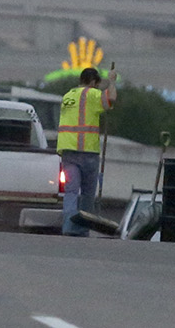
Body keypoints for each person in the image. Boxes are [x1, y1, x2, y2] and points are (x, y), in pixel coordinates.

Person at [56, 66, 116, 237]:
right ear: (92, 82)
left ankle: (68, 227)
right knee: (88, 194)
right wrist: (111, 80)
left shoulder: (68, 96)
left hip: (68, 152)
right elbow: (111, 98)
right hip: (88, 152)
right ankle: (82, 229)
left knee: (71, 192)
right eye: (96, 85)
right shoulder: (92, 94)